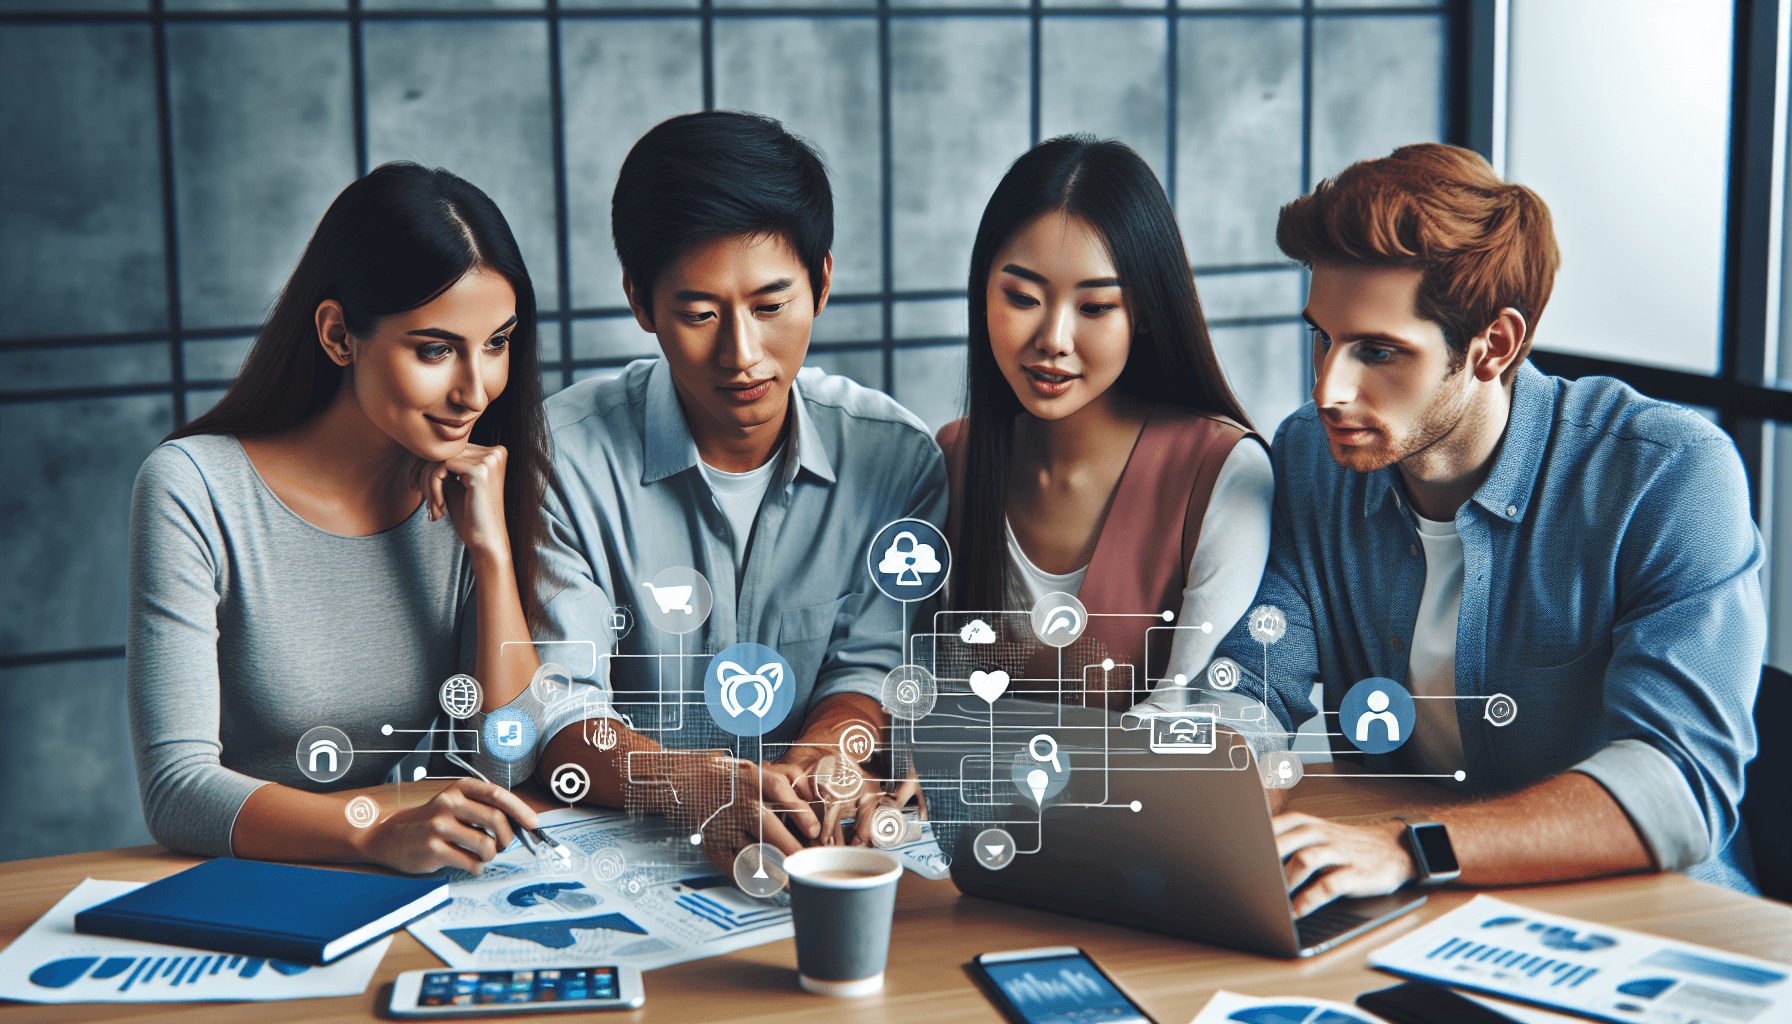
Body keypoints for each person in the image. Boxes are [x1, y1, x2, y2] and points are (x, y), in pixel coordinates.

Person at [1211, 143, 1763, 914]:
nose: (1328, 387)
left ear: (1492, 347)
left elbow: (1678, 784)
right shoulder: (1312, 455)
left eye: (1378, 351)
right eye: (1323, 337)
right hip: (1416, 908)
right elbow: (1256, 680)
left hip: (1646, 920)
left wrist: (1410, 845)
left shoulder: (1670, 474)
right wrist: (1204, 789)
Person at [532, 111, 947, 870]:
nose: (743, 354)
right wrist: (689, 783)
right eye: (698, 314)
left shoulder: (895, 459)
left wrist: (829, 761)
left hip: (811, 853)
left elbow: (871, 670)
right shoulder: (561, 457)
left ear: (821, 282)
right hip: (632, 861)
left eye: (770, 305)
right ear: (639, 301)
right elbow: (559, 703)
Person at [128, 162, 552, 875]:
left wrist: (492, 553)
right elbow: (176, 789)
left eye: (497, 343)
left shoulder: (472, 483)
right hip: (249, 878)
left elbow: (506, 766)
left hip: (403, 879)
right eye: (435, 349)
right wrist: (369, 834)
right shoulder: (194, 487)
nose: (474, 390)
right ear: (337, 335)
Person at [938, 135, 1272, 714]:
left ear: (1143, 312)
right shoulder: (952, 458)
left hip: (1155, 802)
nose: (1053, 341)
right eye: (1021, 298)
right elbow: (936, 689)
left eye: (1094, 308)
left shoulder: (1220, 471)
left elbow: (1188, 709)